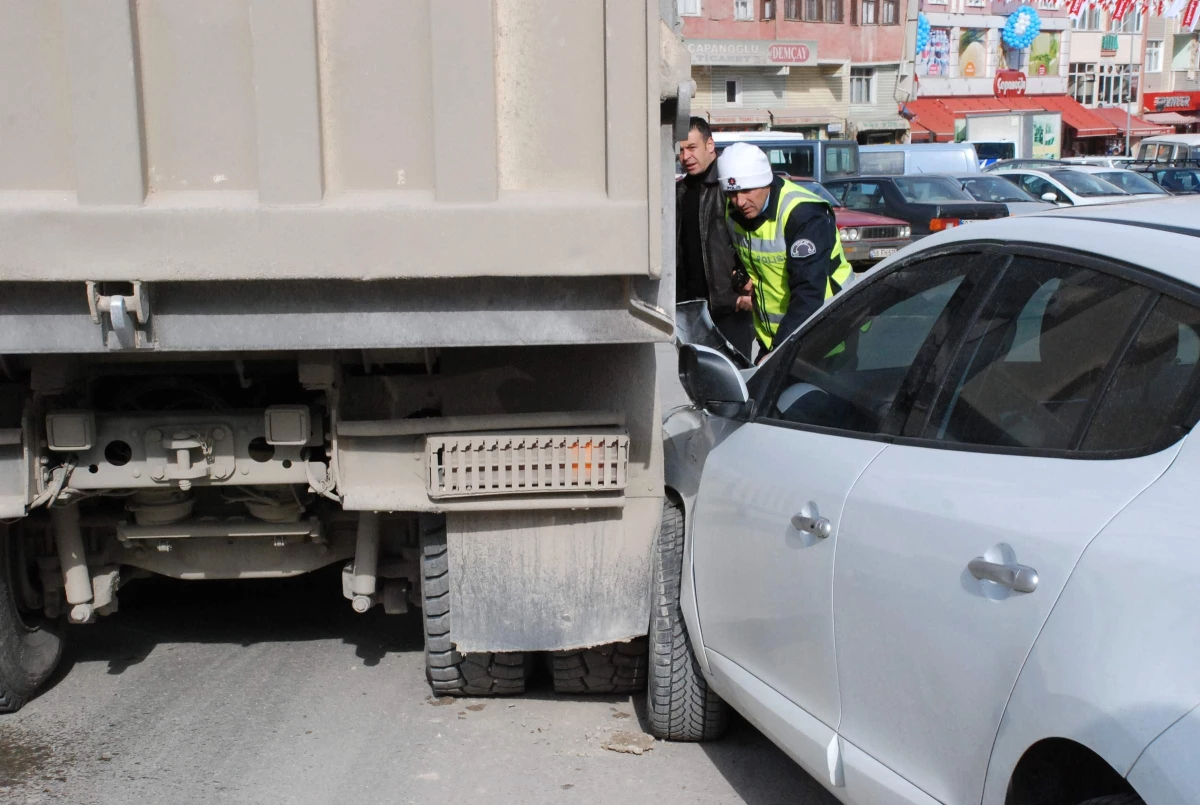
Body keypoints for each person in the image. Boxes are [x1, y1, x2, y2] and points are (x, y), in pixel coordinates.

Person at [716, 142, 853, 360]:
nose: (740, 202)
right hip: (776, 339)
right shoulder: (734, 211)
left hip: (826, 337)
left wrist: (779, 352)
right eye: (732, 193)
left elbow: (809, 292)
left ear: (766, 182)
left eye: (746, 191)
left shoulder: (803, 214)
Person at [676, 117, 754, 358]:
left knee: (735, 381)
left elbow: (752, 238)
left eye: (691, 147)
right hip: (691, 311)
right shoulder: (679, 191)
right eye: (680, 151)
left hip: (730, 308)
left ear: (710, 145)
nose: (686, 156)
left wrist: (748, 289)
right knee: (701, 385)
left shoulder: (728, 187)